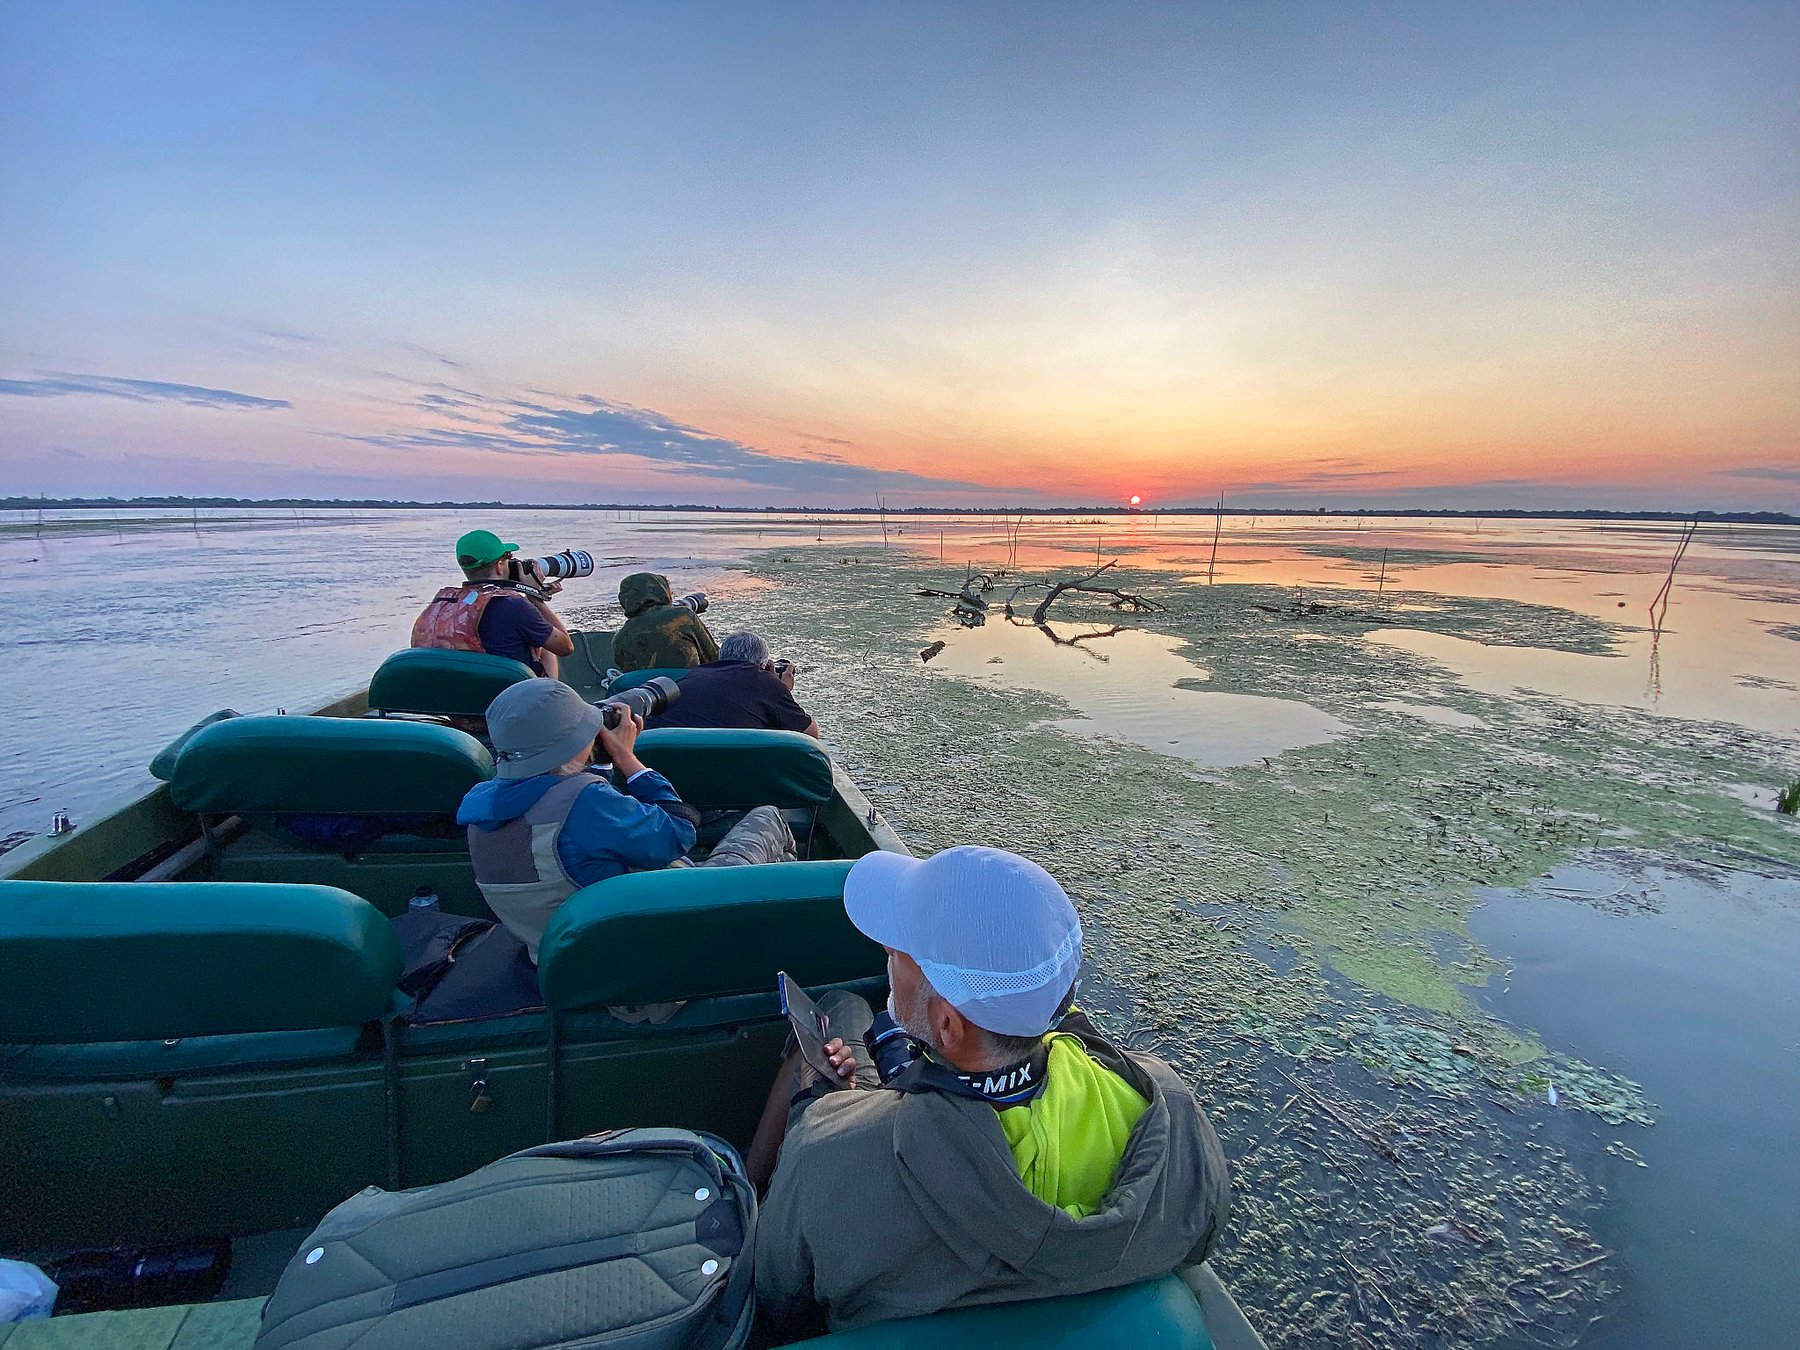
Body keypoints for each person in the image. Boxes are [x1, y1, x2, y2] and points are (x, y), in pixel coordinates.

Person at [749, 846, 1231, 1338]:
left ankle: (750, 1179)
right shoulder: (1169, 1110)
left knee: (841, 1009)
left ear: (947, 1024)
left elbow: (776, 1300)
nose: (887, 956)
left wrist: (835, 1108)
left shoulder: (826, 1154)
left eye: (896, 952)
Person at [457, 678, 795, 961]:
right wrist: (628, 758)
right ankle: (767, 939)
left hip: (566, 960)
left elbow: (568, 829)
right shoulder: (586, 803)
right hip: (657, 953)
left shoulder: (479, 812)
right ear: (572, 743)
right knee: (769, 818)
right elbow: (679, 832)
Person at [412, 529, 574, 678]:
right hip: (512, 698)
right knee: (543, 640)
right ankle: (553, 702)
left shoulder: (443, 602)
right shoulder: (515, 606)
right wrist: (535, 598)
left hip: (461, 695)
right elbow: (565, 647)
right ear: (499, 566)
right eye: (509, 558)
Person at [642, 631, 819, 738]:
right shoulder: (766, 682)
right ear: (764, 665)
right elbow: (810, 734)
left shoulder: (693, 675)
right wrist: (783, 689)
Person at [611, 572, 718, 672]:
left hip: (652, 690)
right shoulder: (682, 616)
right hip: (688, 687)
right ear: (660, 591)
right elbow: (713, 658)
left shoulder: (619, 639)